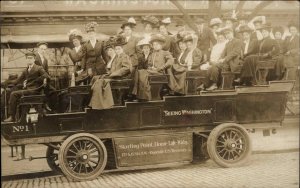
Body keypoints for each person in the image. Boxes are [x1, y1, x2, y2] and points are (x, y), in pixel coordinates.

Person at [4, 52, 50, 122]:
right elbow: (17, 81)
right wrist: (5, 83)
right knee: (12, 91)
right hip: (28, 90)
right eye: (27, 59)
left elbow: (46, 75)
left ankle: (12, 116)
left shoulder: (38, 68)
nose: (29, 60)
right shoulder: (26, 70)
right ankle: (15, 117)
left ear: (34, 59)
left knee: (14, 94)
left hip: (35, 90)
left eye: (30, 58)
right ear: (26, 60)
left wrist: (36, 81)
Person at [88, 35, 131, 109]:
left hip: (120, 78)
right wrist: (108, 74)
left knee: (100, 82)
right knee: (96, 78)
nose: (117, 50)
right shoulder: (116, 58)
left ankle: (101, 104)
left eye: (119, 49)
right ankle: (95, 103)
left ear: (122, 49)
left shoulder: (124, 56)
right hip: (114, 76)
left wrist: (113, 74)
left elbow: (126, 68)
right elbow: (112, 70)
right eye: (116, 49)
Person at [132, 34, 174, 101]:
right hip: (152, 71)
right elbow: (150, 64)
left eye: (157, 44)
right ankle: (143, 96)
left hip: (160, 72)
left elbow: (171, 61)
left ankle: (144, 96)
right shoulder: (152, 54)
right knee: (140, 72)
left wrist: (162, 67)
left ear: (161, 45)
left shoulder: (165, 53)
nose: (155, 46)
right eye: (154, 45)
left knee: (142, 73)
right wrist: (151, 67)